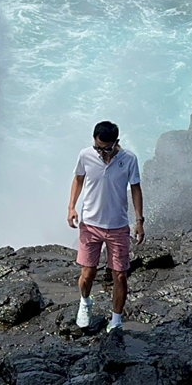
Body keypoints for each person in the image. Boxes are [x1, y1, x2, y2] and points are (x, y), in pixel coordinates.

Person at [67, 121, 145, 333]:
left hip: (118, 226)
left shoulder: (129, 159)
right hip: (90, 224)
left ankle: (116, 320)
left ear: (116, 143)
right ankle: (85, 302)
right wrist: (71, 207)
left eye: (106, 148)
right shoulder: (85, 155)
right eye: (98, 147)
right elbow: (78, 179)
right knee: (88, 272)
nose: (101, 152)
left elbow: (136, 188)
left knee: (120, 274)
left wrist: (139, 220)